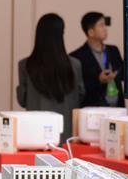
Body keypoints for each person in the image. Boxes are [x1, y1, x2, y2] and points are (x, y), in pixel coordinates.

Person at [17, 13, 84, 144]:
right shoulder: (75, 65)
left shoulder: (25, 65)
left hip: (35, 133)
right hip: (66, 133)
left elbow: (22, 99)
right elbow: (80, 95)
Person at [70, 12, 125, 107]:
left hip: (117, 109)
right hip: (92, 110)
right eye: (101, 25)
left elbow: (123, 74)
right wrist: (99, 80)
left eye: (105, 25)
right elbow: (77, 89)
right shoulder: (77, 56)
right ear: (90, 32)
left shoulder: (113, 50)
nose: (105, 29)